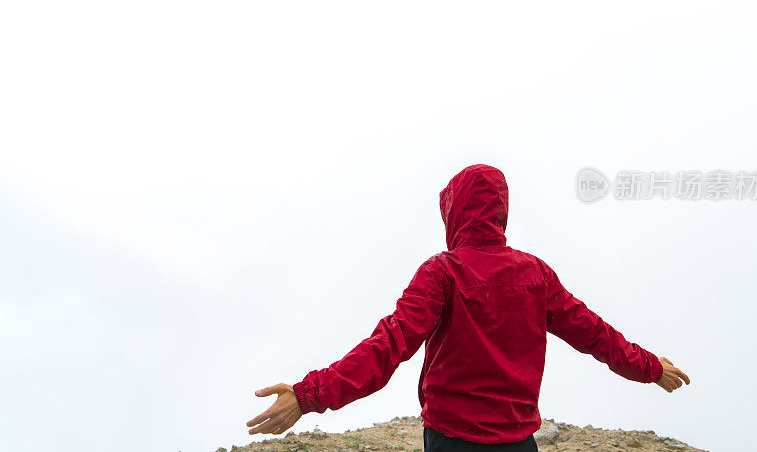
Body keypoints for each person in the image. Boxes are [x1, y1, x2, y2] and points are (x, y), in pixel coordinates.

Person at [246, 164, 690, 451]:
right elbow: (595, 334)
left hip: (450, 442)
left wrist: (307, 397)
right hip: (519, 444)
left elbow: (387, 347)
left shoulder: (442, 272)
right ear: (501, 212)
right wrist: (651, 367)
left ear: (453, 212)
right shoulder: (535, 275)